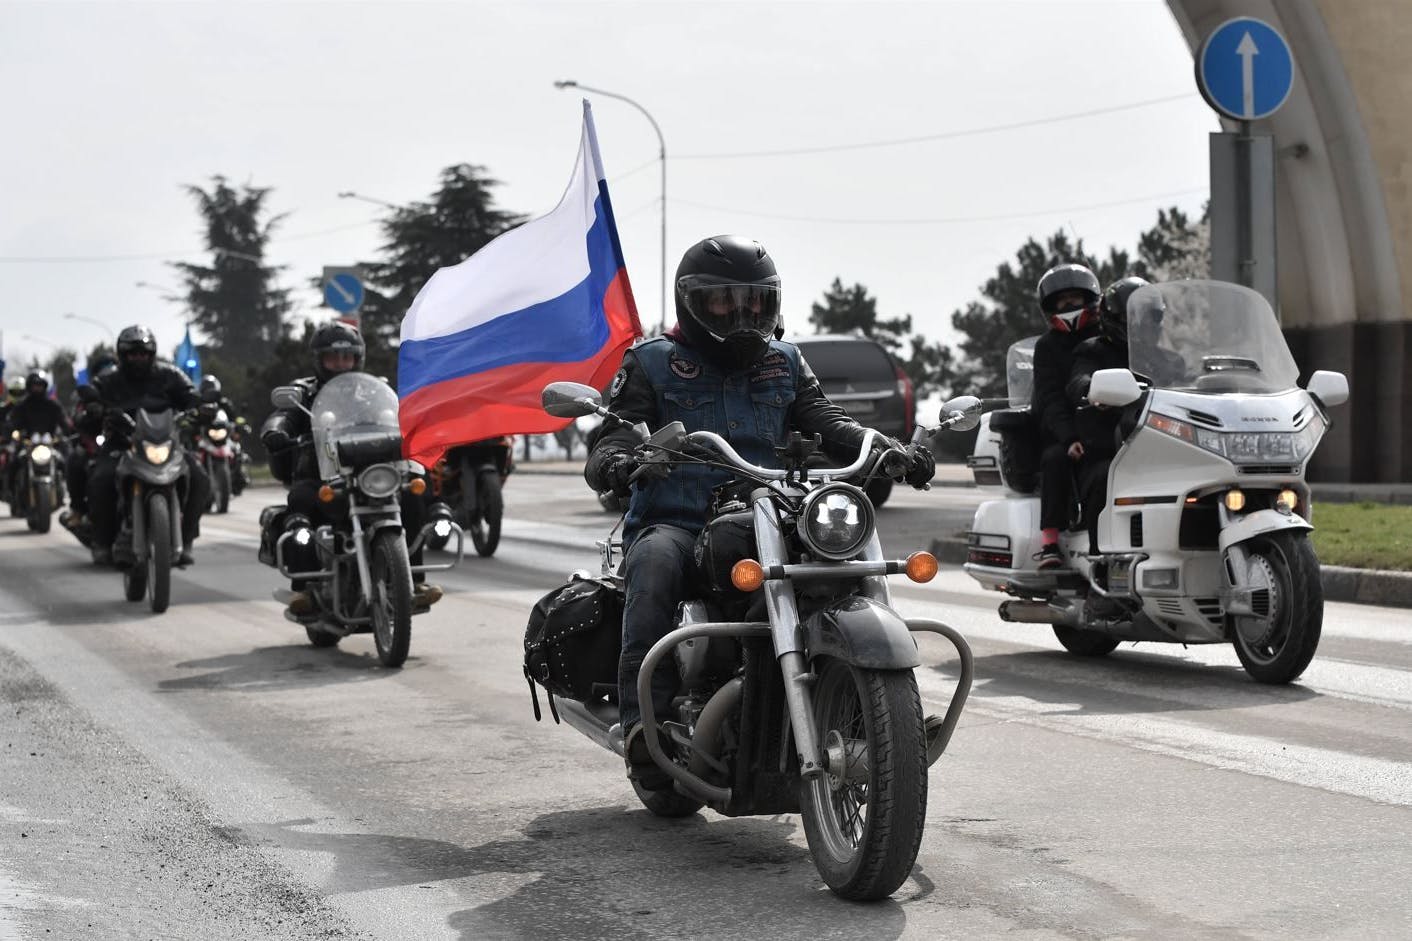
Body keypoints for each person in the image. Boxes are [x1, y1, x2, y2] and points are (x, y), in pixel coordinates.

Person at [582, 234, 936, 790]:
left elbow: (824, 418)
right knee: (653, 565)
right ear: (691, 302)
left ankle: (883, 713)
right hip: (679, 519)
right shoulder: (652, 362)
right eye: (723, 301)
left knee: (840, 561)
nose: (741, 314)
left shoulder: (783, 361)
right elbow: (614, 435)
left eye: (754, 301)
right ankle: (642, 725)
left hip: (771, 512)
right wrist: (620, 461)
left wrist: (885, 447)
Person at [259, 321, 442, 616]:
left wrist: (421, 423)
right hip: (322, 476)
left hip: (371, 473)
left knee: (414, 491)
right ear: (319, 360)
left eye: (347, 357)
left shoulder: (373, 389)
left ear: (358, 358)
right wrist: (276, 430)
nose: (340, 363)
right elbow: (284, 415)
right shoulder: (304, 392)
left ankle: (415, 579)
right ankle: (303, 589)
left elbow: (400, 412)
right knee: (300, 502)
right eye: (333, 357)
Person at [88, 326, 210, 567]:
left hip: (166, 443)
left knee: (199, 476)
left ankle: (186, 539)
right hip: (123, 443)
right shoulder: (108, 379)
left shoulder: (170, 375)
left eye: (143, 353)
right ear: (122, 355)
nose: (138, 358)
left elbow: (191, 396)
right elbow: (91, 398)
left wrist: (202, 408)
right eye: (132, 354)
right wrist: (94, 408)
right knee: (100, 478)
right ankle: (102, 541)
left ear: (152, 354)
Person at [1031, 263, 1102, 570]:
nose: (1069, 305)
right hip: (1064, 431)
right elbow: (1050, 398)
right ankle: (1050, 542)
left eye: (1075, 298)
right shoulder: (1047, 346)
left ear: (1090, 299)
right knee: (1054, 459)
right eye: (1061, 301)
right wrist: (1069, 437)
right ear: (1051, 307)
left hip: (1105, 424)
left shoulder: (1105, 336)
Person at [2, 370, 71, 500]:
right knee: (13, 463)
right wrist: (8, 434)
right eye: (35, 385)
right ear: (29, 387)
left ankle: (67, 491)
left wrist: (68, 432)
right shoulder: (23, 405)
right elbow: (12, 422)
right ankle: (12, 494)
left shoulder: (53, 405)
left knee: (67, 461)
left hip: (50, 443)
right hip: (28, 444)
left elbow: (64, 421)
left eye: (40, 385)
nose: (37, 388)